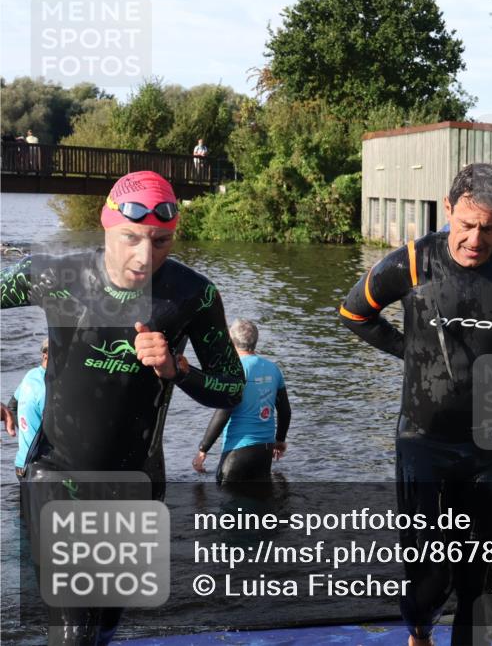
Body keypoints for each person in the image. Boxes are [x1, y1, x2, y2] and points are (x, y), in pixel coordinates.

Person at [340, 163, 492, 646]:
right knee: (428, 574)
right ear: (448, 209)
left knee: (478, 577)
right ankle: (420, 632)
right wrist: (410, 349)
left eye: (489, 229)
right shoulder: (412, 262)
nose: (475, 239)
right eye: (467, 225)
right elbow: (354, 313)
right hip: (422, 441)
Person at [0, 170, 246, 646]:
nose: (144, 256)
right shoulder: (54, 275)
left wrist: (179, 371)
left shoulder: (193, 295)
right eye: (131, 238)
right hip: (57, 472)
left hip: (137, 478)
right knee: (72, 632)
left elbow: (232, 389)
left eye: (161, 241)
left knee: (106, 622)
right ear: (106, 223)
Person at [192, 319, 291, 483]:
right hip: (265, 452)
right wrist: (279, 441)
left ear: (230, 342)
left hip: (237, 452)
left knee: (228, 503)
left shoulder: (234, 371)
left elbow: (224, 412)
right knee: (261, 504)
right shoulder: (274, 369)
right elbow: (285, 411)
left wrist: (203, 449)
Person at [7, 339, 48, 478]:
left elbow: (12, 406)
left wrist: (28, 432)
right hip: (40, 468)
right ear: (45, 355)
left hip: (21, 465)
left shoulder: (31, 375)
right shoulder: (48, 386)